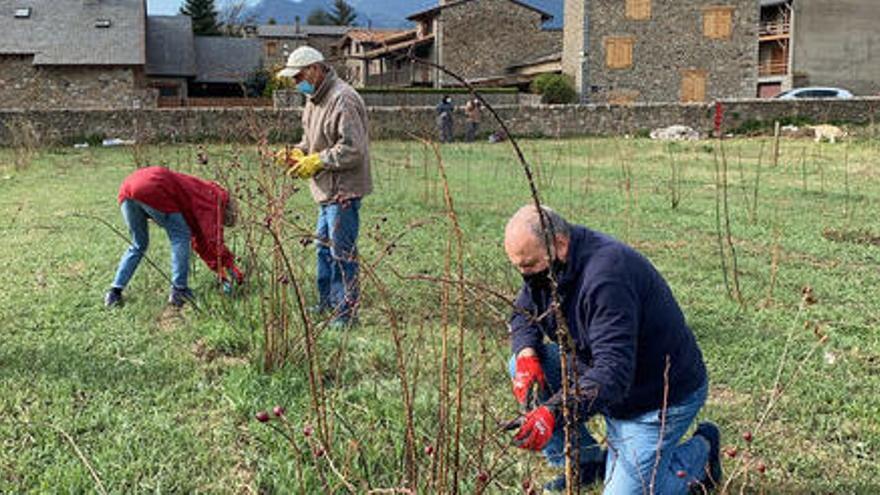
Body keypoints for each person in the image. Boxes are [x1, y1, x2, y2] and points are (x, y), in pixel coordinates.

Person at [504, 205, 721, 493]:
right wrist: (526, 355)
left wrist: (553, 411)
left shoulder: (607, 278)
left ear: (560, 243)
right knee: (527, 366)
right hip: (603, 375)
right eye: (518, 267)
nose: (525, 275)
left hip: (655, 397)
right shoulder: (554, 267)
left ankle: (701, 453)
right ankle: (588, 462)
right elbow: (524, 312)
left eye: (529, 266)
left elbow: (614, 373)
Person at [276, 46, 372, 329]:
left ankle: (345, 312)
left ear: (316, 69)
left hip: (343, 189)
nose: (296, 83)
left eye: (299, 76)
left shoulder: (343, 99)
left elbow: (353, 148)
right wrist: (296, 151)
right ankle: (327, 302)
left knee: (341, 252)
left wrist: (317, 160)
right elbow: (311, 141)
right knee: (322, 249)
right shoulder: (313, 98)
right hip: (325, 189)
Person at [104, 166, 243, 308]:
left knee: (138, 244)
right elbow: (211, 238)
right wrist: (231, 268)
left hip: (127, 189)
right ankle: (179, 290)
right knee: (180, 237)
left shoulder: (199, 187)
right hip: (154, 185)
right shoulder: (213, 199)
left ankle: (114, 292)